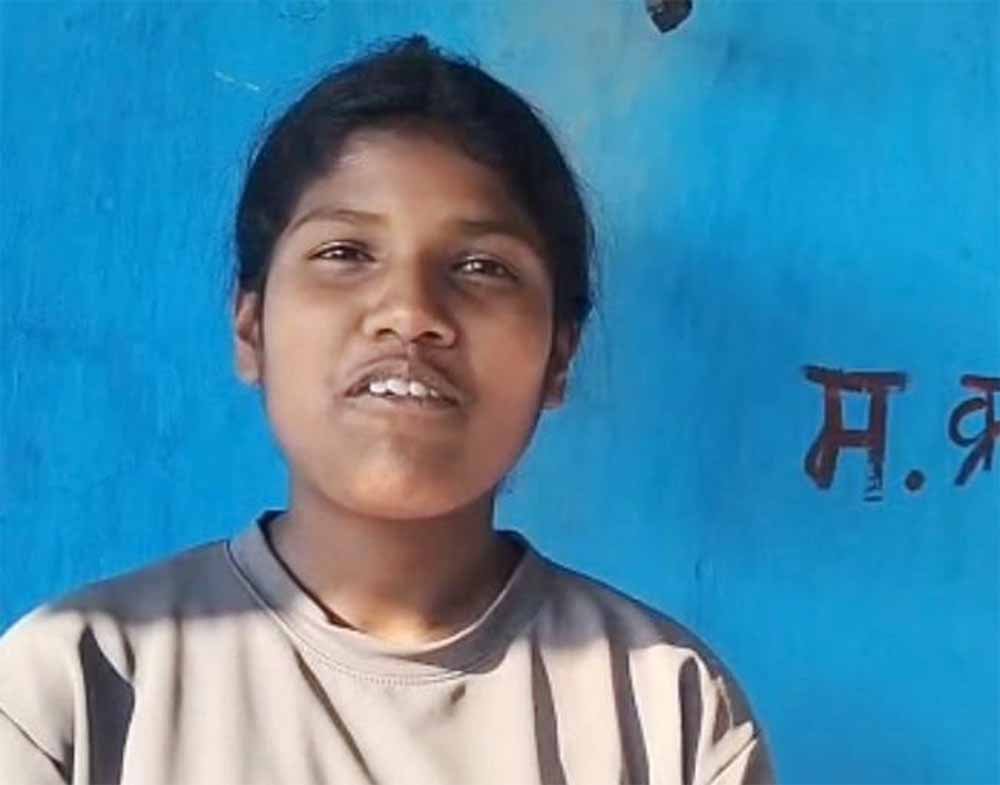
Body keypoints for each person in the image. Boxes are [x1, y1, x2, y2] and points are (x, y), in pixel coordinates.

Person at [0, 35, 775, 785]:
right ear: (251, 327)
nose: (409, 312)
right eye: (344, 253)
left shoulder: (665, 709)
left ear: (559, 356)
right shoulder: (75, 687)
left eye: (482, 266)